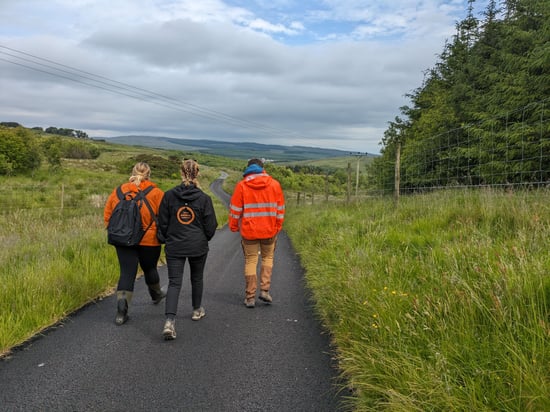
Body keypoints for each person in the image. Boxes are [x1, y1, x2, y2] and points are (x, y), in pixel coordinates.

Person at [157, 159, 218, 340]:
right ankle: (196, 310)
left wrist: (166, 239)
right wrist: (203, 238)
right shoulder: (204, 199)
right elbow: (211, 226)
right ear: (197, 174)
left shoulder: (168, 196)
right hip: (197, 246)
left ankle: (169, 321)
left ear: (181, 173)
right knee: (196, 278)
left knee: (174, 282)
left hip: (174, 245)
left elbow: (162, 222)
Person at [104, 161, 165, 325]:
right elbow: (164, 218)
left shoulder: (118, 191)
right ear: (149, 174)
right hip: (149, 240)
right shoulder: (157, 193)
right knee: (150, 268)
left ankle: (121, 313)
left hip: (123, 239)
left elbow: (108, 216)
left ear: (132, 172)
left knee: (126, 273)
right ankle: (156, 294)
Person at [228, 158, 285, 308]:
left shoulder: (241, 186)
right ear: (262, 168)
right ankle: (265, 291)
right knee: (268, 258)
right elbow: (280, 210)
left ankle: (250, 297)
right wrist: (277, 227)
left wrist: (234, 226)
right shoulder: (275, 185)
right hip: (269, 231)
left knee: (251, 260)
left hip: (249, 231)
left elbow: (235, 210)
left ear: (248, 169)